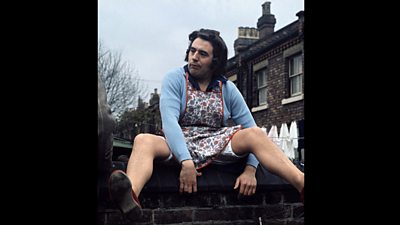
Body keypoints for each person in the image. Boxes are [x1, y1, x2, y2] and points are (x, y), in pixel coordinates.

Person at [108, 28, 304, 221]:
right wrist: (186, 162)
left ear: (215, 61)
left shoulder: (227, 88)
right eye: (192, 51)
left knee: (255, 134)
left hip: (216, 142)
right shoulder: (174, 79)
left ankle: (302, 184)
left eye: (202, 54)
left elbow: (251, 126)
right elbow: (170, 124)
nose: (194, 57)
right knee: (143, 139)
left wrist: (250, 170)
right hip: (179, 142)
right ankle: (130, 197)